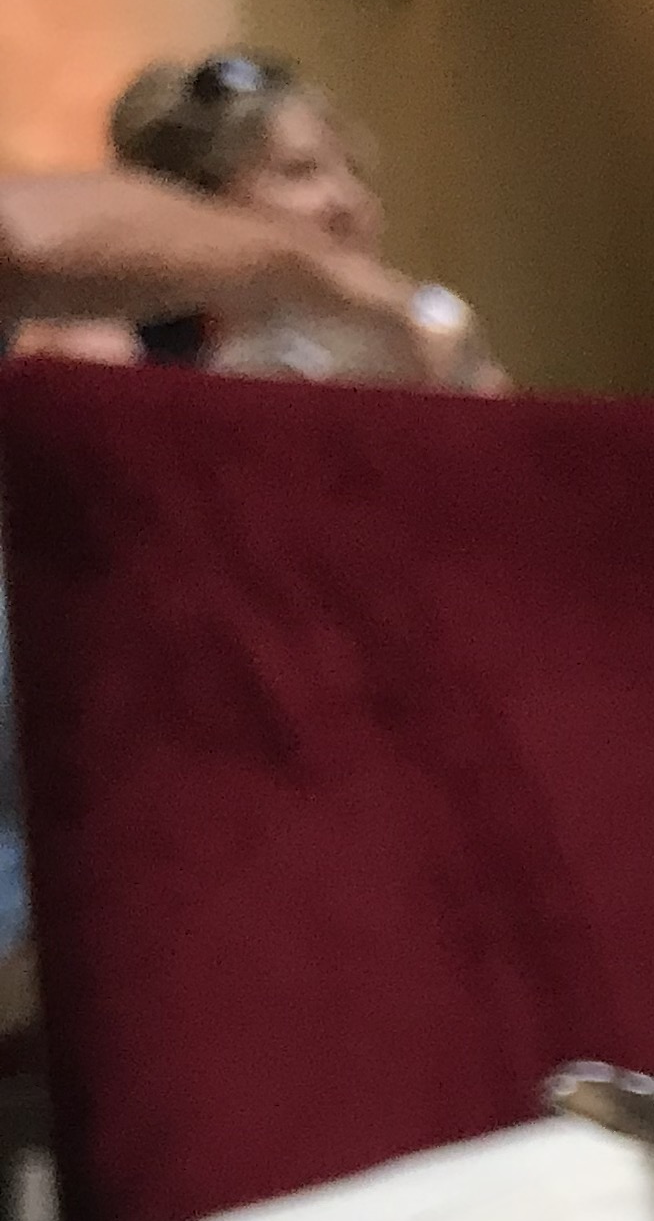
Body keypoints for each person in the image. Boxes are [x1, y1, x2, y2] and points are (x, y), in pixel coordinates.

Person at [0, 173, 484, 964]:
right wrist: (323, 278)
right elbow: (20, 238)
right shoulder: (106, 403)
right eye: (297, 169)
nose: (346, 198)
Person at [103, 51, 498, 383]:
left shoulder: (425, 342)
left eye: (354, 171)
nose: (349, 201)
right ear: (198, 201)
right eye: (300, 172)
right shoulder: (123, 358)